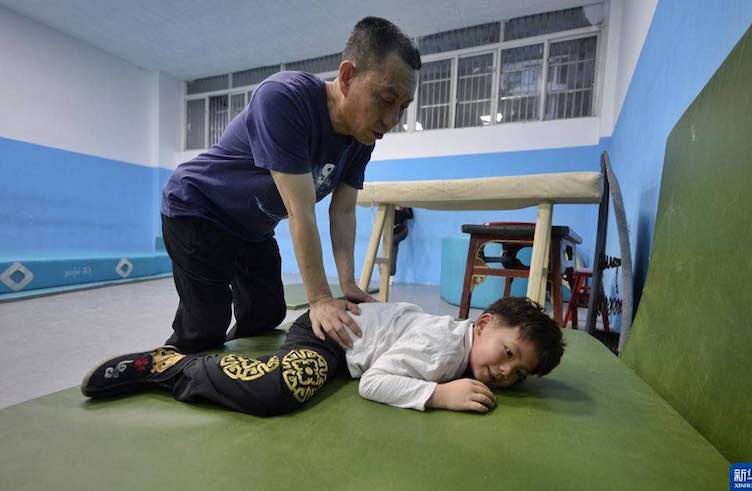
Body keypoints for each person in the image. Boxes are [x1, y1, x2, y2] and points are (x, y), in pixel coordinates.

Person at [159, 17, 420, 355]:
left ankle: (229, 371)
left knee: (266, 314)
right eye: (385, 99)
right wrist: (321, 298)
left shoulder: (361, 140)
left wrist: (348, 283)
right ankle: (165, 367)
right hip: (198, 207)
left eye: (403, 107)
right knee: (205, 326)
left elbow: (342, 211)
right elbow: (301, 212)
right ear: (346, 76)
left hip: (251, 229)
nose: (391, 120)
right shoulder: (284, 98)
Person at [81, 297, 566, 416]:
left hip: (350, 337)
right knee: (281, 390)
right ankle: (169, 366)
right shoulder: (442, 350)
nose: (505, 371)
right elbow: (375, 382)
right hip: (326, 334)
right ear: (481, 324)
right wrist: (437, 394)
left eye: (518, 374)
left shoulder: (459, 344)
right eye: (508, 353)